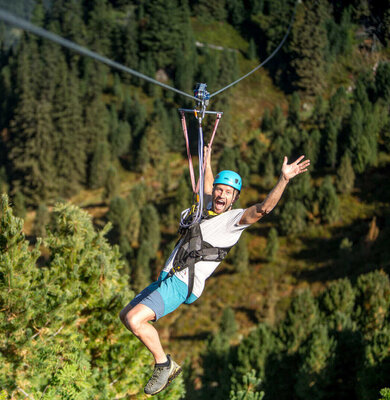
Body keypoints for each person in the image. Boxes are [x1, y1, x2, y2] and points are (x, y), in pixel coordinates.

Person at [119, 147, 310, 396]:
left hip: (181, 283)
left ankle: (164, 364)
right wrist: (206, 161)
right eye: (220, 190)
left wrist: (283, 179)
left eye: (228, 193)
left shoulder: (233, 222)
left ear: (234, 199)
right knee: (126, 316)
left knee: (136, 320)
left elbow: (263, 209)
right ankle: (162, 362)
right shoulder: (205, 210)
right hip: (167, 277)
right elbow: (208, 187)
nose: (221, 194)